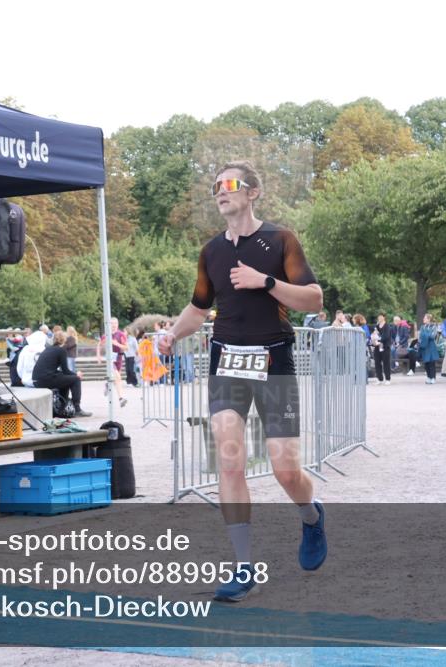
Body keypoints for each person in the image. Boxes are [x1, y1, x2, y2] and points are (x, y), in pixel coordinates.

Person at [158, 160, 326, 603]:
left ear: (252, 193)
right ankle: (243, 566)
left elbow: (314, 299)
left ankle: (311, 517)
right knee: (229, 461)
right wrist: (172, 334)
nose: (220, 191)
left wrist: (264, 281)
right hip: (227, 362)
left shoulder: (280, 240)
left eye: (229, 184)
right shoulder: (211, 251)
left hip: (274, 360)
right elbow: (198, 308)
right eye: (215, 185)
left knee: (285, 469)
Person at [32, 331, 92, 417]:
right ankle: (77, 409)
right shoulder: (61, 350)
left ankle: (61, 409)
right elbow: (66, 370)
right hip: (46, 379)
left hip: (37, 380)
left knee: (65, 380)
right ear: (64, 340)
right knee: (76, 380)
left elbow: (62, 372)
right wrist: (76, 375)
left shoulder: (48, 348)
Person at [96, 317, 128, 408]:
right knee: (117, 376)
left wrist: (116, 344)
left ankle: (107, 384)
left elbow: (126, 348)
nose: (114, 325)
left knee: (115, 378)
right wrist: (98, 356)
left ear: (118, 324)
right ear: (109, 325)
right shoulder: (106, 335)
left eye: (115, 323)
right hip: (110, 358)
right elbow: (99, 345)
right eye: (112, 323)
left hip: (119, 357)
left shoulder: (121, 334)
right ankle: (121, 398)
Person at [418, 313, 440, 384]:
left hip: (431, 346)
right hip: (424, 346)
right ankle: (428, 377)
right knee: (426, 363)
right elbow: (420, 336)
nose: (423, 319)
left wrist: (425, 334)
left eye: (425, 318)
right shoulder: (422, 327)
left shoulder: (434, 326)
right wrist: (426, 335)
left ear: (429, 319)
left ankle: (433, 377)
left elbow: (433, 336)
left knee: (431, 363)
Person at [371, 314, 390, 385]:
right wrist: (374, 341)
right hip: (377, 347)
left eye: (381, 317)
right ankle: (379, 378)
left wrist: (379, 341)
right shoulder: (376, 326)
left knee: (386, 363)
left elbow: (386, 336)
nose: (379, 318)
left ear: (384, 317)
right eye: (378, 317)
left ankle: (388, 379)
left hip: (385, 347)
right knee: (377, 363)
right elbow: (373, 334)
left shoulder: (387, 326)